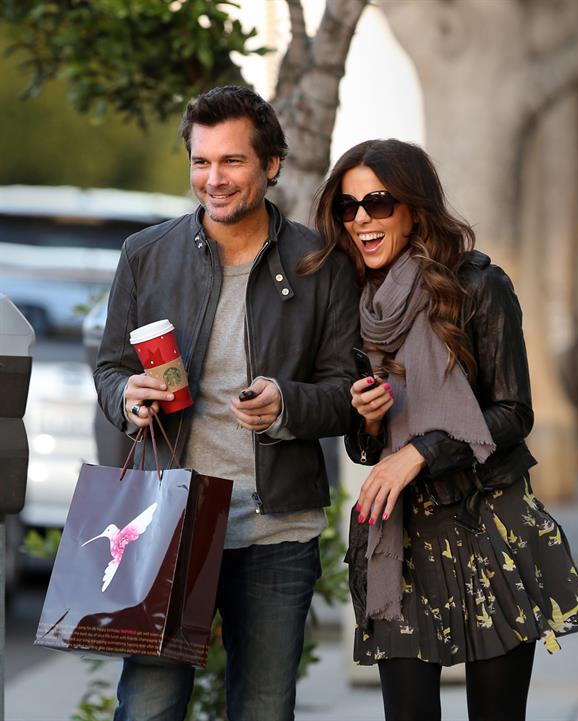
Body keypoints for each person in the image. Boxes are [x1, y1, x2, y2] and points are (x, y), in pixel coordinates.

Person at [94, 85, 360, 721]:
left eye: (232, 161)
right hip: (169, 525)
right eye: (201, 161)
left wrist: (286, 405)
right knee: (149, 708)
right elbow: (110, 369)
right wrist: (128, 398)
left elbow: (348, 393)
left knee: (264, 710)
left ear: (271, 165)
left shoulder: (320, 262)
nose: (213, 179)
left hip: (276, 529)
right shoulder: (146, 254)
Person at [310, 138, 578, 721]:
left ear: (415, 208)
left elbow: (514, 412)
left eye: (379, 202)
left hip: (486, 524)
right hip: (402, 541)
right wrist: (368, 421)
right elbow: (368, 447)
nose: (362, 217)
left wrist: (420, 451)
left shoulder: (477, 287)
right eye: (348, 206)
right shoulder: (354, 303)